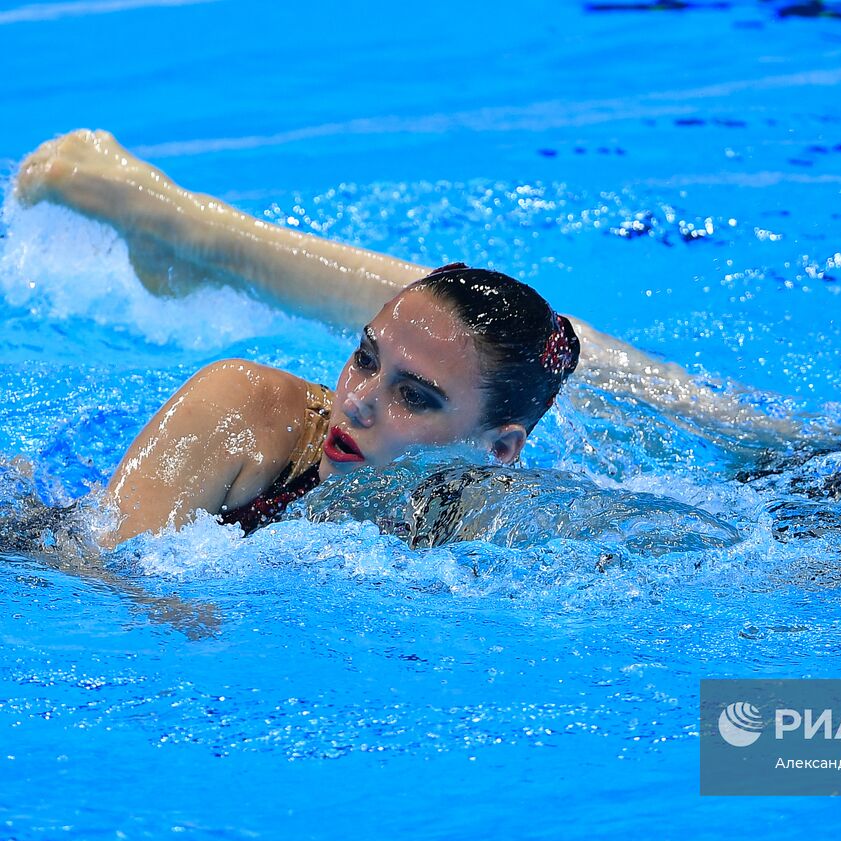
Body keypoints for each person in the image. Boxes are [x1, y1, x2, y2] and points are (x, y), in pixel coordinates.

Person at [13, 130, 800, 546]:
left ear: (499, 449)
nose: (356, 402)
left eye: (413, 397)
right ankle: (185, 233)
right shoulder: (245, 411)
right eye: (365, 357)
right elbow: (104, 562)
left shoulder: (477, 512)